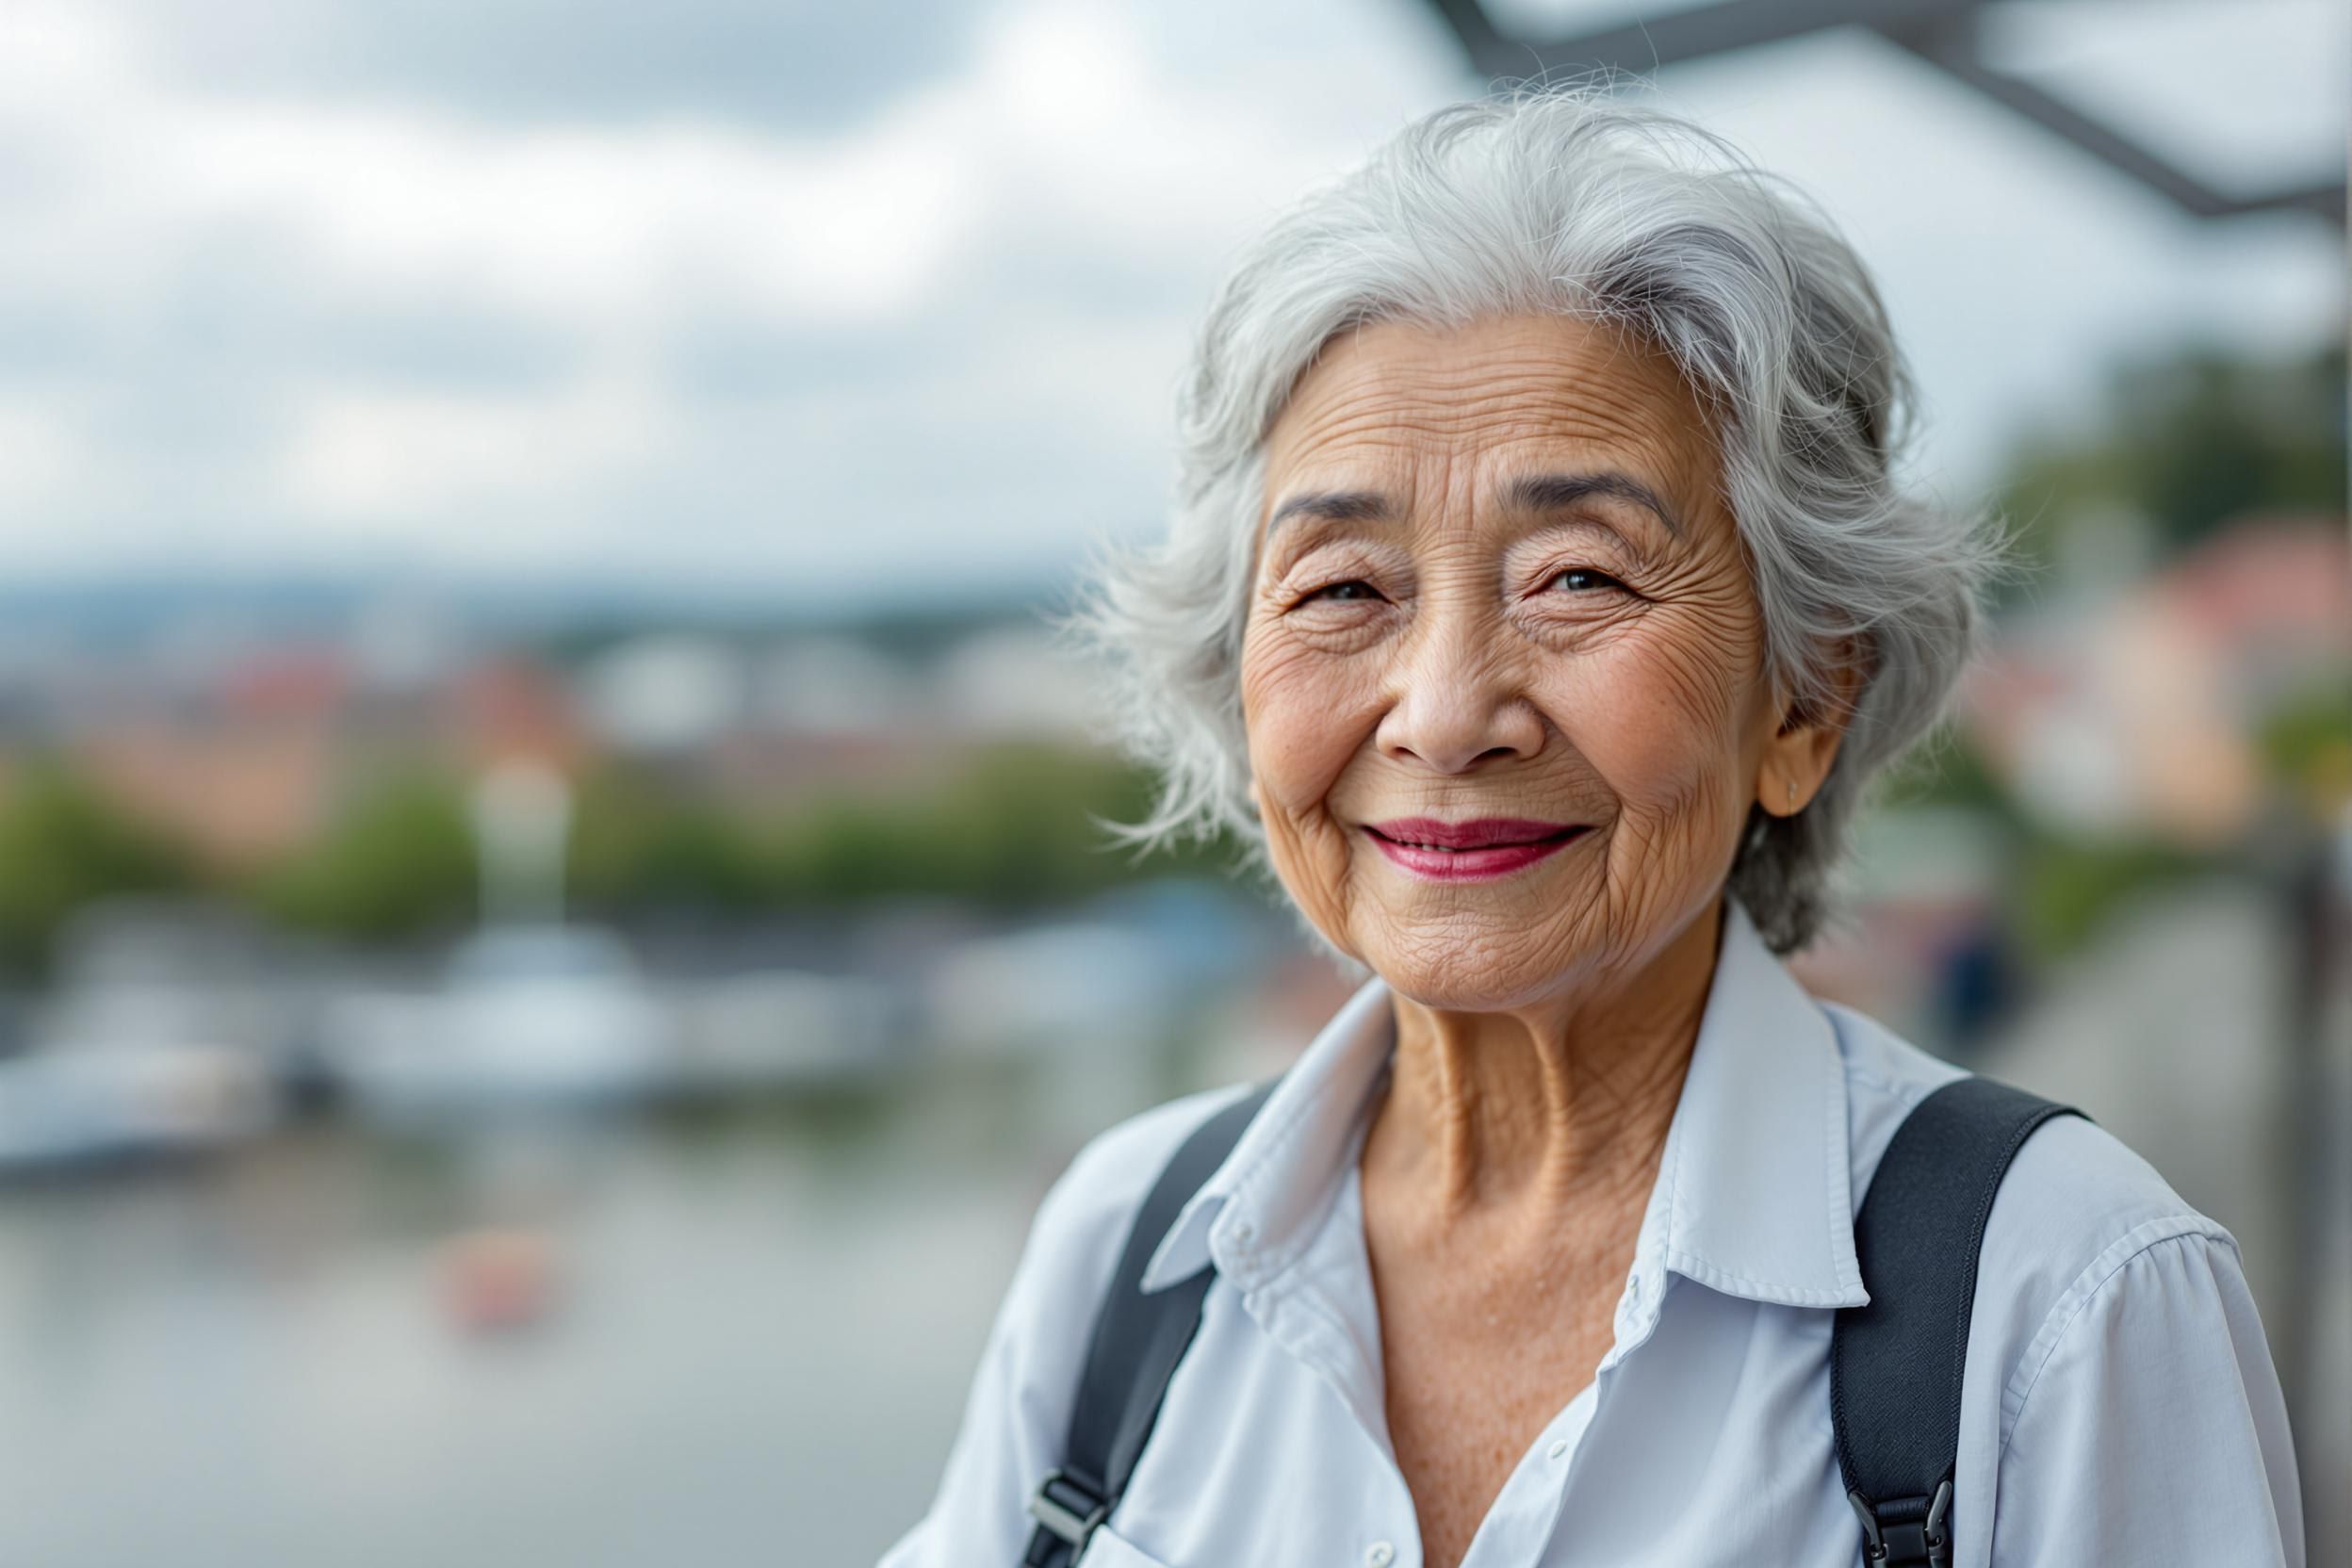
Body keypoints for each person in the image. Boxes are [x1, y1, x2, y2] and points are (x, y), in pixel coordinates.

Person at [878, 87, 2304, 1567]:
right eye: (1342, 589)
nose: (1441, 713)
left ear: (1806, 700)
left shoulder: (2061, 1296)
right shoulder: (1124, 1251)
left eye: (1579, 579)